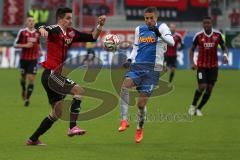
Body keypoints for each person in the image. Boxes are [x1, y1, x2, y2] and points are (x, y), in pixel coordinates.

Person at [26, 7, 106, 145]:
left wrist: (100, 25)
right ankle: (72, 127)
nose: (70, 20)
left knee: (57, 113)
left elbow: (92, 37)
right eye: (68, 18)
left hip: (51, 76)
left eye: (71, 18)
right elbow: (42, 27)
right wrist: (42, 29)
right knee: (79, 90)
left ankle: (33, 139)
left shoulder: (71, 33)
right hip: (51, 73)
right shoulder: (55, 29)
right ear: (60, 19)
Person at [119, 7, 174, 143]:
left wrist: (159, 34)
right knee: (124, 86)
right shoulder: (139, 29)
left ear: (156, 18)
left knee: (141, 105)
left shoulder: (162, 28)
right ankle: (124, 120)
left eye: (151, 18)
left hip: (153, 69)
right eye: (146, 18)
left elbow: (171, 43)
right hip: (138, 65)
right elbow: (136, 47)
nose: (149, 20)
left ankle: (139, 127)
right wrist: (130, 59)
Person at [188, 16, 228, 116]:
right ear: (202, 24)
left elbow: (224, 48)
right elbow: (192, 50)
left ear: (211, 23)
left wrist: (225, 55)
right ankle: (192, 106)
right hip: (201, 65)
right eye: (204, 23)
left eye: (208, 23)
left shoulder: (218, 35)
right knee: (202, 86)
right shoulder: (198, 35)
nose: (206, 25)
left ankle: (199, 109)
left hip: (213, 66)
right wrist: (192, 63)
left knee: (209, 88)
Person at [14, 16, 42, 106]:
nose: (31, 22)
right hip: (23, 59)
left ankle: (27, 99)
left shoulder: (37, 33)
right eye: (29, 21)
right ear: (26, 22)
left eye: (33, 21)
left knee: (31, 79)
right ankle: (23, 89)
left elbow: (38, 43)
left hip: (33, 59)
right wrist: (25, 45)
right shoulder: (22, 32)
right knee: (23, 78)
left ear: (34, 22)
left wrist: (40, 50)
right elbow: (15, 44)